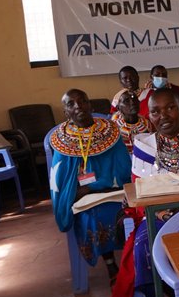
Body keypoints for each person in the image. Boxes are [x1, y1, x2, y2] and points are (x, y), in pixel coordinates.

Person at [113, 87, 179, 297]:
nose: (163, 116)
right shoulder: (144, 146)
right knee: (145, 244)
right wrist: (166, 215)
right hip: (160, 215)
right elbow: (140, 192)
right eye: (155, 111)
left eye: (170, 108)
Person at [48, 88, 131, 278]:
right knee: (91, 217)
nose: (78, 106)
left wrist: (92, 187)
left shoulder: (110, 131)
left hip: (112, 190)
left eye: (82, 101)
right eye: (71, 104)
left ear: (90, 104)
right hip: (83, 196)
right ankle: (111, 266)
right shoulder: (62, 140)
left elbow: (122, 168)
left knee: (124, 213)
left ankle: (132, 263)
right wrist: (78, 191)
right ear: (65, 112)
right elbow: (61, 179)